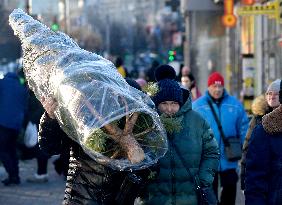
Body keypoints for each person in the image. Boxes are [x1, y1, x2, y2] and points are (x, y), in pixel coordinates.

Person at [38, 78, 153, 204]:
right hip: (81, 200)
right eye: (119, 99)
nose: (124, 108)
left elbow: (151, 172)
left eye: (130, 103)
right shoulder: (85, 124)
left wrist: (137, 159)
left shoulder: (143, 132)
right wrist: (51, 118)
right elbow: (50, 147)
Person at [141, 65, 219, 205]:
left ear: (180, 102)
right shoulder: (146, 124)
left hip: (190, 197)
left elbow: (212, 152)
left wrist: (203, 180)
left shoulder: (197, 121)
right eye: (164, 103)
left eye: (174, 103)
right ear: (156, 103)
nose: (169, 109)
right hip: (157, 198)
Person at [192, 71, 249, 205]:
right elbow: (192, 130)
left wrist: (243, 146)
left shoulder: (235, 104)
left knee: (229, 191)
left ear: (223, 87)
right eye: (214, 86)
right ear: (208, 87)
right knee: (208, 194)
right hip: (206, 158)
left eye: (220, 87)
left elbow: (243, 127)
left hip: (229, 157)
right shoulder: (197, 106)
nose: (217, 90)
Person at [245, 79, 282, 205]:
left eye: (275, 93)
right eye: (269, 93)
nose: (272, 97)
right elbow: (255, 182)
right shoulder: (264, 130)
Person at [0, 72, 28, 186]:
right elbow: (25, 107)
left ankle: (13, 175)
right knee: (11, 150)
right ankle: (15, 176)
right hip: (16, 125)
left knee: (3, 150)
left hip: (3, 122)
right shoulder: (21, 88)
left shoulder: (2, 84)